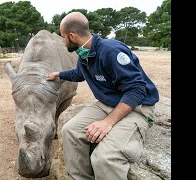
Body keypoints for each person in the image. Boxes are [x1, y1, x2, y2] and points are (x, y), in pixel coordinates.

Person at [46, 12, 159, 180]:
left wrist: (107, 123)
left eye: (63, 37)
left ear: (72, 36)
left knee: (104, 158)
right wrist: (59, 74)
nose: (63, 42)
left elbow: (136, 90)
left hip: (136, 107)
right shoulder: (84, 53)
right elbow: (79, 73)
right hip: (108, 104)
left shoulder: (111, 51)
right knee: (70, 131)